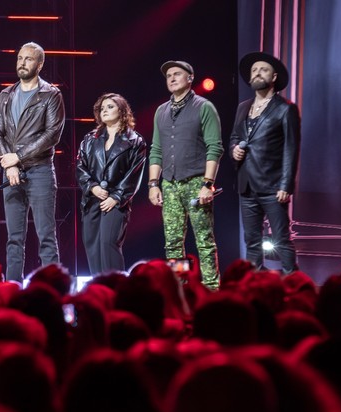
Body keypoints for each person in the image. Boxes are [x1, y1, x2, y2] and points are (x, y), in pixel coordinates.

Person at [0, 41, 65, 283]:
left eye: (28, 59)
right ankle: (12, 287)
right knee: (14, 237)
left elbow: (52, 134)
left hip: (40, 170)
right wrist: (10, 164)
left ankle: (53, 290)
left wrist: (19, 157)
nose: (22, 63)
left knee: (45, 234)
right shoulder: (6, 95)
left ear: (40, 64)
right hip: (11, 172)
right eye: (20, 58)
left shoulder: (51, 94)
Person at [148, 61, 224, 290]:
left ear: (190, 78)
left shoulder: (204, 107)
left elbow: (215, 147)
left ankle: (211, 289)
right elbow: (156, 149)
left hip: (196, 182)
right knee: (172, 243)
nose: (171, 78)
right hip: (169, 184)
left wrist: (207, 184)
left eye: (177, 74)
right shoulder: (161, 110)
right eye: (168, 75)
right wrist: (153, 184)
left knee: (204, 240)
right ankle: (179, 288)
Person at [230, 52, 301, 274]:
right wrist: (234, 150)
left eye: (263, 69)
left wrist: (285, 185)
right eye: (254, 70)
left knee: (281, 240)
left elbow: (292, 149)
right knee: (251, 241)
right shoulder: (243, 107)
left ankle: (293, 283)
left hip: (273, 185)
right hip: (246, 185)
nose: (257, 73)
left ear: (274, 76)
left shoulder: (285, 108)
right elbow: (234, 136)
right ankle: (254, 286)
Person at [76, 93, 147, 275]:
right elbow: (80, 166)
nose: (104, 111)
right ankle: (100, 291)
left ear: (122, 110)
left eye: (110, 107)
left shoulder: (135, 141)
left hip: (116, 202)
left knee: (108, 244)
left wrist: (116, 197)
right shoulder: (90, 138)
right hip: (92, 200)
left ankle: (116, 289)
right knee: (92, 245)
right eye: (102, 108)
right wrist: (92, 186)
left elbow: (134, 174)